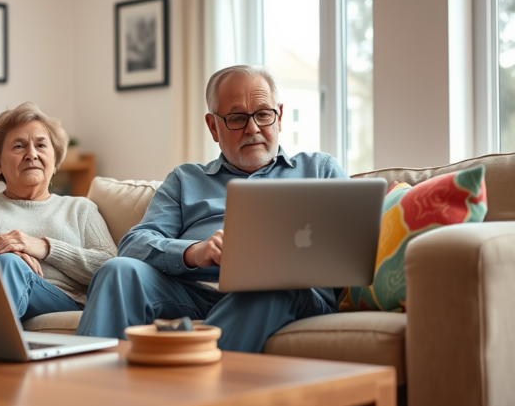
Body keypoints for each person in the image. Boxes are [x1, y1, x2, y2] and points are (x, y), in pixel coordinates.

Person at [76, 65, 347, 353]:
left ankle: (191, 388)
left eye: (263, 114)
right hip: (196, 294)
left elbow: (360, 240)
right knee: (118, 270)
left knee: (275, 282)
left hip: (289, 295)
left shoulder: (319, 169)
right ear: (213, 126)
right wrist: (195, 252)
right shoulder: (186, 180)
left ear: (279, 117)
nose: (253, 128)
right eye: (237, 118)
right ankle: (86, 392)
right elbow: (133, 244)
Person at [0, 102, 116, 321]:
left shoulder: (81, 208)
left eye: (41, 145)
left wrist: (43, 247)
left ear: (55, 162)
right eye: (18, 146)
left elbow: (111, 267)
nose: (31, 154)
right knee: (9, 264)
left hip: (58, 301)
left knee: (10, 265)